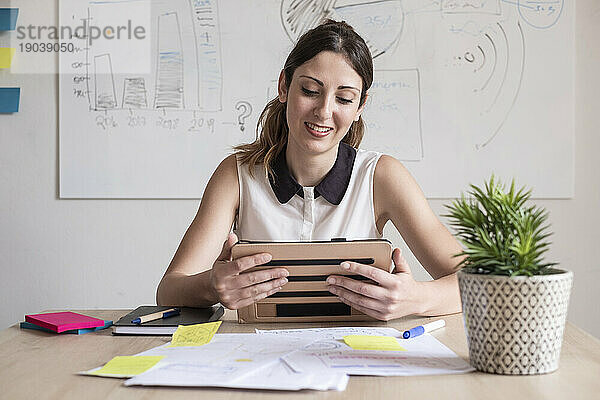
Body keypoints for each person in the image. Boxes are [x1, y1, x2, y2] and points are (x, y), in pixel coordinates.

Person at [156, 20, 463, 321]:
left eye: (343, 98)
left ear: (360, 107)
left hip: (355, 358)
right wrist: (212, 285)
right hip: (258, 355)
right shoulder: (236, 175)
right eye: (310, 90)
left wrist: (414, 299)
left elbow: (479, 283)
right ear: (284, 86)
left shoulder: (382, 176)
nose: (324, 111)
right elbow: (169, 290)